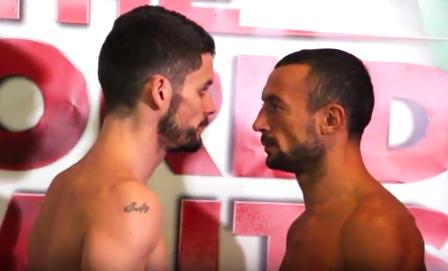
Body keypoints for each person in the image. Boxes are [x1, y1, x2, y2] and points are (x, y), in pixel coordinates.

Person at [27, 5, 216, 271]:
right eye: (202, 90)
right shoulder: (130, 202)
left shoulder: (64, 185)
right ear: (160, 91)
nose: (210, 106)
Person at [253, 48, 426, 271]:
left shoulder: (374, 227)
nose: (258, 123)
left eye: (275, 107)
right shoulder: (303, 227)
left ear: (330, 119)